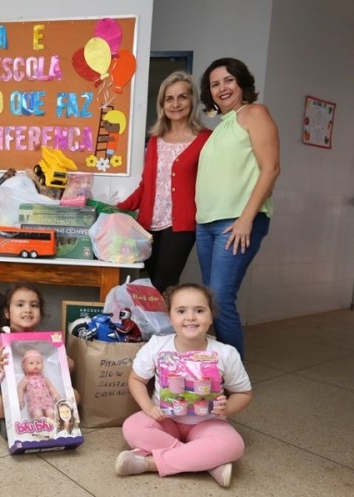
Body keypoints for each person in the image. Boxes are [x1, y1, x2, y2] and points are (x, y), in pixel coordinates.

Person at [114, 283, 252, 488]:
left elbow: (243, 393)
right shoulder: (157, 345)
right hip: (165, 419)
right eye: (181, 311)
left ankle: (150, 463)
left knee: (233, 445)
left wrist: (228, 407)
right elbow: (136, 380)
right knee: (132, 427)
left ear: (211, 316)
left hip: (207, 422)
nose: (190, 317)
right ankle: (205, 462)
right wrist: (149, 408)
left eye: (199, 310)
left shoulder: (225, 353)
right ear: (170, 317)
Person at [195, 58, 281, 358]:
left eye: (228, 80)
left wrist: (246, 219)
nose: (222, 88)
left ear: (242, 82)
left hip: (236, 223)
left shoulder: (254, 113)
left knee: (220, 299)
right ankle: (217, 365)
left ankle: (234, 377)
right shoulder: (222, 125)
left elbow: (270, 169)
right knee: (211, 301)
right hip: (207, 224)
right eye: (215, 84)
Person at [117, 71, 212, 295]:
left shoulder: (206, 139)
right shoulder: (155, 139)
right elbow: (146, 185)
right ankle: (158, 328)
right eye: (169, 98)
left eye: (182, 97)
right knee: (149, 283)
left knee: (164, 283)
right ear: (162, 104)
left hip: (181, 226)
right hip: (148, 224)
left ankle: (168, 329)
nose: (176, 104)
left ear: (192, 100)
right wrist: (118, 208)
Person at [0, 282, 79, 438]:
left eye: (34, 305)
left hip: (42, 395)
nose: (27, 310)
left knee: (75, 395)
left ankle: (45, 421)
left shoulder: (47, 342)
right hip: (12, 397)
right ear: (6, 312)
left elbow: (68, 368)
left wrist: (64, 361)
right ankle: (13, 420)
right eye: (20, 304)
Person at [16, 349, 61, 420]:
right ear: (23, 366)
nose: (35, 365)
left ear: (43, 364)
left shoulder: (43, 378)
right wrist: (20, 398)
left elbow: (51, 387)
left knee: (51, 412)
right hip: (34, 403)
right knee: (38, 414)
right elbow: (20, 388)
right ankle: (40, 427)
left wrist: (55, 395)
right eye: (31, 363)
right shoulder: (26, 379)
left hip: (46, 401)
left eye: (38, 362)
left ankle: (51, 426)